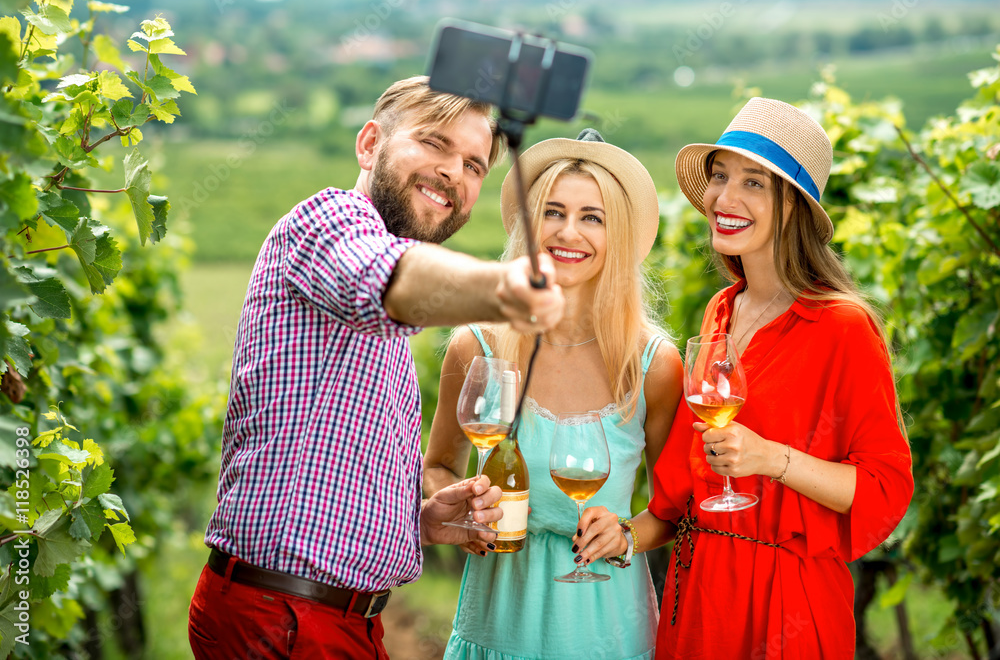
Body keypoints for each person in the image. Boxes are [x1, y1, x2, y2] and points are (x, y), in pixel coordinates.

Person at [187, 76, 566, 659]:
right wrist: (503, 288)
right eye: (434, 143)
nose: (453, 173)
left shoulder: (387, 310)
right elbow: (390, 276)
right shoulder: (329, 221)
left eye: (473, 164)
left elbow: (328, 474)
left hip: (323, 619)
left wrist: (419, 520)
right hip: (287, 620)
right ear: (369, 145)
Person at [578, 97, 915, 658]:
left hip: (787, 604)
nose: (724, 199)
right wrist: (625, 535)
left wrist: (772, 459)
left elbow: (883, 490)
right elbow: (682, 500)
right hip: (699, 591)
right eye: (719, 176)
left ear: (792, 207)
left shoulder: (843, 327)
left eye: (754, 183)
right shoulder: (720, 310)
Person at [423, 129, 684, 660]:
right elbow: (439, 468)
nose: (569, 232)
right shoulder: (479, 346)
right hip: (498, 626)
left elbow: (673, 508)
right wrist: (462, 511)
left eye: (593, 217)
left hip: (610, 634)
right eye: (553, 212)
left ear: (619, 235)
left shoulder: (653, 364)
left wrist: (626, 535)